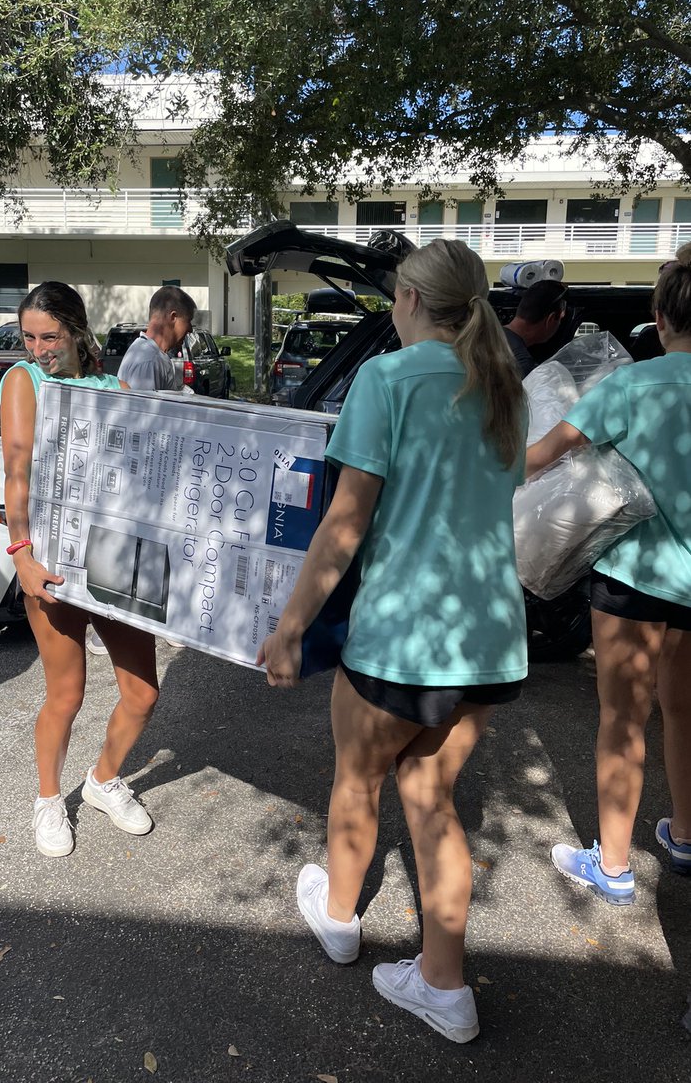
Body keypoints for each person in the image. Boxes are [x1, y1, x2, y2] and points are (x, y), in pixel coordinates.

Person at [260, 239, 527, 1043]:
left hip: (400, 637)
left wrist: (290, 627)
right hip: (487, 639)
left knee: (356, 780)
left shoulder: (385, 380)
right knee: (433, 800)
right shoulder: (505, 388)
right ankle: (445, 987)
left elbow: (347, 522)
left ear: (408, 300)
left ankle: (339, 919)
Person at [526, 244, 691, 902]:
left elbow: (539, 457)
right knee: (685, 710)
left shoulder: (631, 385)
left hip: (633, 580)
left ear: (658, 315)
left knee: (623, 720)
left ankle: (615, 866)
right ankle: (683, 834)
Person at [0, 281, 160, 858]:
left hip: (112, 560)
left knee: (142, 693)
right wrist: (22, 554)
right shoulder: (23, 381)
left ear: (77, 332)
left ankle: (102, 781)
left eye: (51, 336)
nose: (39, 347)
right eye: (29, 336)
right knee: (65, 694)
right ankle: (48, 800)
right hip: (51, 559)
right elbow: (16, 472)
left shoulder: (111, 384)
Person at [117, 284, 196, 392]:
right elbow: (145, 407)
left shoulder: (150, 353)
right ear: (173, 317)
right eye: (188, 321)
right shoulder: (149, 360)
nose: (190, 329)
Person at [502, 279, 568, 378]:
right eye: (560, 320)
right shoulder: (522, 364)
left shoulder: (486, 335)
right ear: (550, 319)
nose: (559, 325)